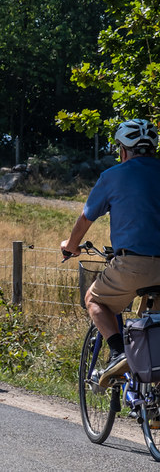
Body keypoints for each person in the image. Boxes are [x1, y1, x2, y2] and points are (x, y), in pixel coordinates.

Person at [62, 119, 160, 388]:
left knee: (94, 299)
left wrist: (71, 246)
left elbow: (85, 218)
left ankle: (118, 352)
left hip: (132, 264)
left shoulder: (113, 175)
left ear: (123, 150)